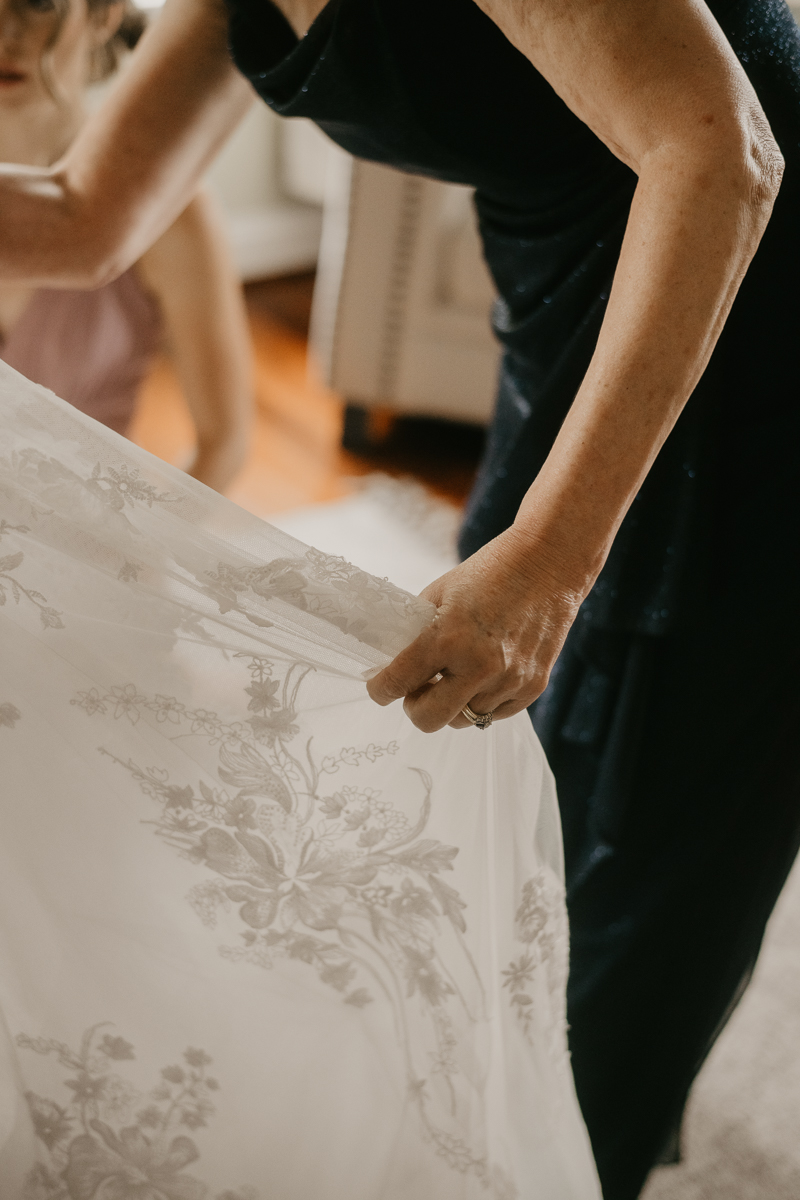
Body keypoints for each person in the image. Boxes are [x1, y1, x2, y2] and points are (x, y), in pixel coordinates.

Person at [0, 0, 797, 1196]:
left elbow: (721, 154)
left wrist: (551, 559)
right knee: (488, 786)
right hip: (569, 312)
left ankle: (585, 1147)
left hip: (745, 327)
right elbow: (85, 215)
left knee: (641, 843)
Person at [0, 0, 252, 492]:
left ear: (103, 15)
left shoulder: (171, 215)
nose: (4, 32)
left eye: (37, 2)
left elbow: (224, 443)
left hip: (73, 542)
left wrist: (142, 559)